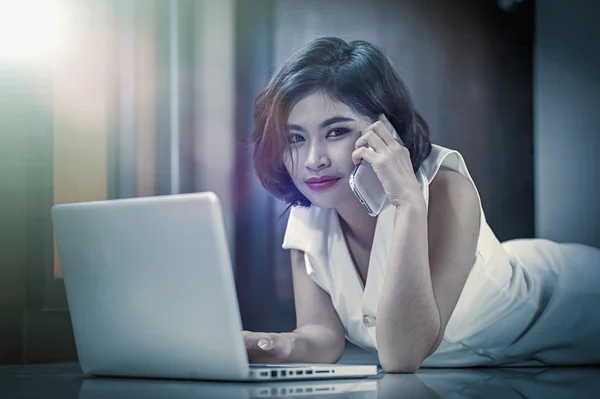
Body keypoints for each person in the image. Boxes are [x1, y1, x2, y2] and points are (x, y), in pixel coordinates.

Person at [243, 36, 600, 373]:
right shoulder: (309, 213)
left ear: (387, 131)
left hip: (572, 302)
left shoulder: (447, 189)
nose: (313, 160)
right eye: (296, 138)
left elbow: (402, 355)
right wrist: (265, 345)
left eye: (336, 132)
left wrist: (409, 203)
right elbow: (322, 335)